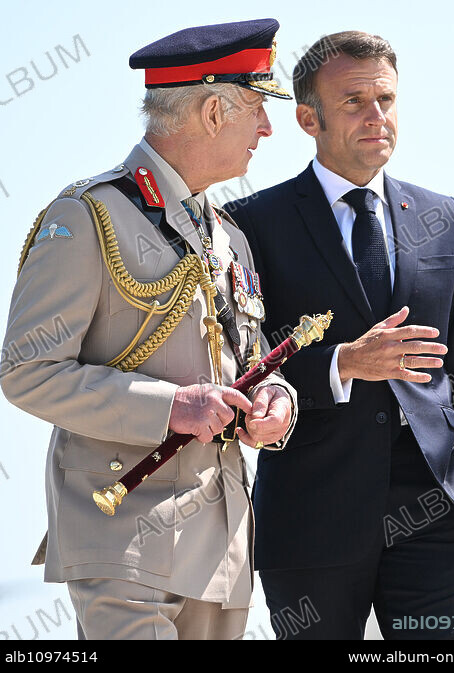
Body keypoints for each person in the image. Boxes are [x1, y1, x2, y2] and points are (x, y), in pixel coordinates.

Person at [0, 18, 297, 641]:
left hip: (222, 549)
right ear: (214, 110)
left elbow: (243, 359)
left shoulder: (228, 234)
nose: (268, 130)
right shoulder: (86, 215)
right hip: (122, 535)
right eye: (258, 110)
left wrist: (276, 401)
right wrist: (172, 408)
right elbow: (26, 372)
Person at [225, 31, 454, 640]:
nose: (376, 115)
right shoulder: (251, 224)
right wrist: (343, 364)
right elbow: (239, 369)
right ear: (309, 118)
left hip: (439, 506)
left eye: (385, 99)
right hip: (313, 511)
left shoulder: (444, 218)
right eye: (354, 101)